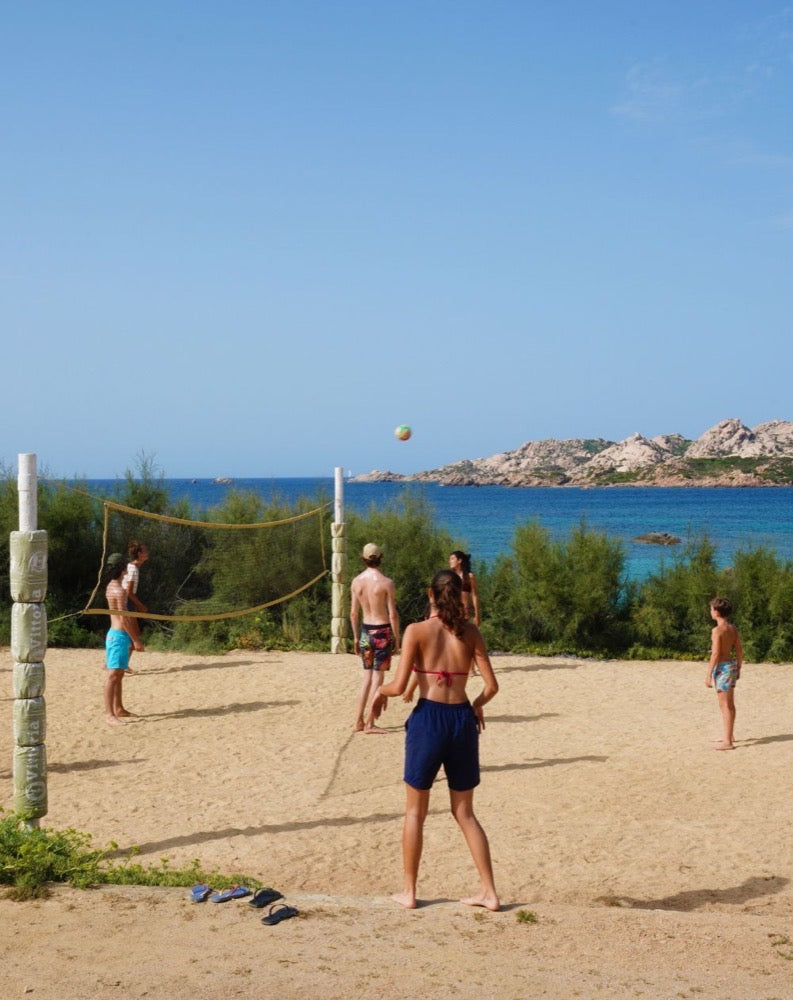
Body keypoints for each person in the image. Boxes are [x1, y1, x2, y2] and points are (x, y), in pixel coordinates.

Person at [371, 569, 499, 910]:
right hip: (461, 719)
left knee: (415, 812)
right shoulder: (471, 632)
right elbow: (491, 687)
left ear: (430, 594)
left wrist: (380, 692)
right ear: (460, 594)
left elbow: (399, 687)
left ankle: (409, 891)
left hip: (429, 719)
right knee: (465, 813)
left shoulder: (416, 631)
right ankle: (489, 892)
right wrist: (476, 705)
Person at [349, 543, 401, 733]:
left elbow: (353, 613)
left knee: (367, 677)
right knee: (378, 677)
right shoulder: (386, 583)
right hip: (382, 631)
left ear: (363, 558)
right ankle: (370, 722)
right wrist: (397, 638)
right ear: (381, 558)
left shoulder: (356, 582)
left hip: (365, 630)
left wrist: (356, 637)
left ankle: (358, 721)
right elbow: (393, 614)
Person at [104, 553, 144, 726]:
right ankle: (109, 715)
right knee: (113, 676)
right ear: (122, 569)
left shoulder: (111, 586)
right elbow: (124, 618)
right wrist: (136, 640)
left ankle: (118, 708)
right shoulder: (119, 591)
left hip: (117, 635)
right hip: (118, 636)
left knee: (119, 674)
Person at [705, 596, 744, 750]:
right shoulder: (732, 628)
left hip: (722, 668)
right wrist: (739, 667)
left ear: (716, 612)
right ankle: (729, 734)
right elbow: (739, 649)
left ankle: (727, 741)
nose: (710, 611)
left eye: (711, 609)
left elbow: (715, 654)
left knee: (724, 705)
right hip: (731, 666)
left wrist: (708, 674)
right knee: (730, 704)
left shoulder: (717, 631)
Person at [121, 541, 149, 660]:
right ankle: (121, 664)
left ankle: (115, 663)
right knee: (134, 636)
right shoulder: (133, 569)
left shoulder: (132, 567)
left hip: (125, 601)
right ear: (139, 554)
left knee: (127, 635)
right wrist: (140, 605)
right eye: (145, 551)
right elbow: (129, 592)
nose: (147, 553)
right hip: (126, 601)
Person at [449, 550, 480, 626]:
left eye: (452, 559)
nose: (450, 561)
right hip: (451, 612)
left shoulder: (469, 577)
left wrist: (477, 615)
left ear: (459, 560)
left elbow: (474, 596)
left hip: (464, 613)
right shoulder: (450, 576)